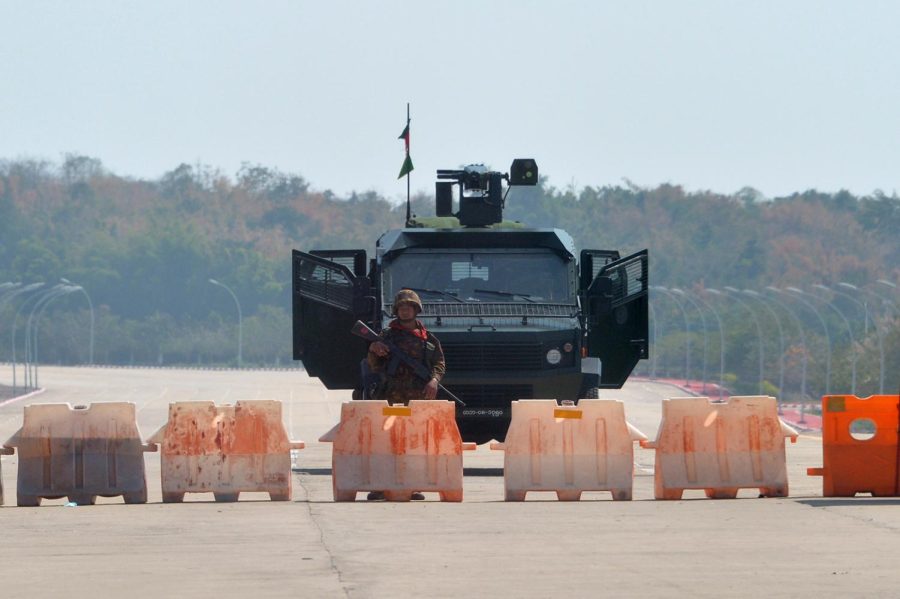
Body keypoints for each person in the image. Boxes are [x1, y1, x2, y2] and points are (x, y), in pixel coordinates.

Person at [364, 289, 446, 501]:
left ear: (416, 309)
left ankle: (413, 486)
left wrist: (434, 381)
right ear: (396, 310)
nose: (405, 310)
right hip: (391, 396)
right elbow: (373, 366)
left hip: (417, 399)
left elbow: (439, 364)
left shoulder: (428, 339)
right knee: (385, 442)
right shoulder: (386, 336)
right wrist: (374, 349)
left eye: (409, 307)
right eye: (401, 307)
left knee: (414, 443)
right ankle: (380, 487)